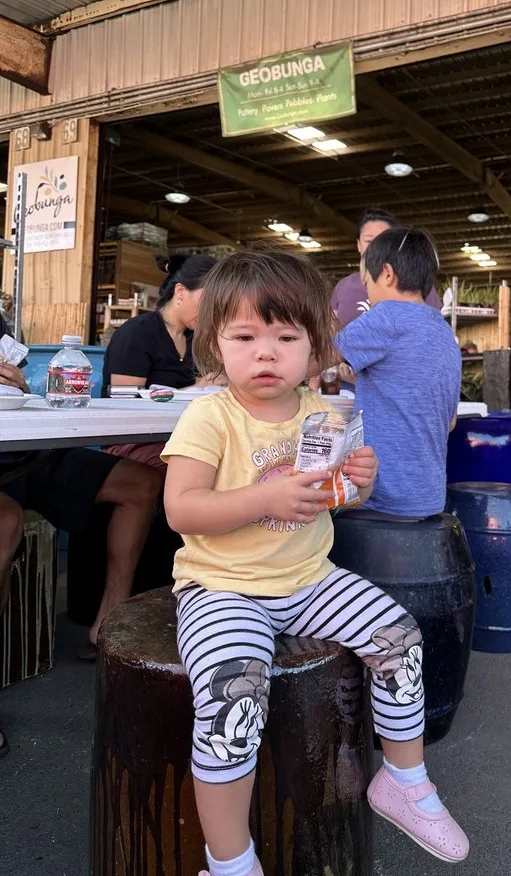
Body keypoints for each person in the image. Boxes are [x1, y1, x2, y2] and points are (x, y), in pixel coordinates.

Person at [161, 248, 469, 876]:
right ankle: (230, 861)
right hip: (224, 587)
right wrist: (265, 496)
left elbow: (331, 499)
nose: (267, 352)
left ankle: (403, 781)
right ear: (216, 345)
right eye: (246, 336)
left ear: (317, 347)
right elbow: (182, 510)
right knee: (231, 699)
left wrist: (357, 482)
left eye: (286, 336)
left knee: (399, 636)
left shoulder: (322, 414)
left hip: (309, 580)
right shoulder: (209, 416)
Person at [0, 314, 162, 756]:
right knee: (5, 525)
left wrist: (18, 386)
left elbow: (19, 394)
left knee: (142, 483)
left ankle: (108, 620)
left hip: (25, 453)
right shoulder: (143, 334)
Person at [335, 228, 461, 518]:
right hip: (428, 497)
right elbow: (449, 420)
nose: (367, 292)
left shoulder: (386, 315)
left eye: (367, 283)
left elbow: (317, 356)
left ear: (388, 274)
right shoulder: (443, 333)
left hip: (381, 496)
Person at [102, 253, 217, 394]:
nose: (212, 312)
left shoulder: (195, 338)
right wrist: (199, 387)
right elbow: (125, 400)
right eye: (208, 302)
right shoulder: (137, 333)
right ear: (180, 292)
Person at [331, 210, 442, 328]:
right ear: (358, 244)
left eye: (382, 241)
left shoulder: (417, 286)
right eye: (369, 241)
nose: (374, 247)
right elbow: (329, 330)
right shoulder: (343, 286)